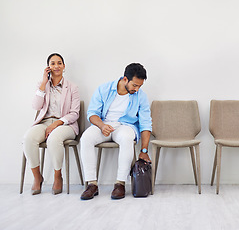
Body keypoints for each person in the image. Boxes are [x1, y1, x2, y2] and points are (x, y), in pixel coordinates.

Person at [80, 63, 152, 200]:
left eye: (140, 86)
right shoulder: (104, 89)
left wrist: (144, 150)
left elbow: (146, 123)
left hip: (125, 126)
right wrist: (101, 125)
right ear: (125, 79)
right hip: (103, 125)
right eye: (134, 85)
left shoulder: (140, 96)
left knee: (127, 138)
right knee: (86, 138)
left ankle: (120, 184)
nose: (137, 89)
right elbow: (92, 113)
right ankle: (91, 184)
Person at [23, 53, 80, 195]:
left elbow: (75, 113)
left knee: (54, 139)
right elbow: (36, 106)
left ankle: (57, 176)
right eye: (53, 63)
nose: (56, 66)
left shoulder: (72, 87)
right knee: (28, 138)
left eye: (59, 63)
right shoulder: (43, 85)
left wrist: (57, 124)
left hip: (66, 124)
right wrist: (43, 83)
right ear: (48, 67)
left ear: (64, 66)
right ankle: (37, 177)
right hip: (45, 122)